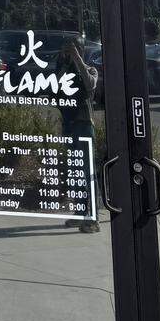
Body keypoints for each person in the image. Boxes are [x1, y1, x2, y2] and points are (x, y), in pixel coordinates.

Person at [57, 37, 100, 234]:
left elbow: (90, 85)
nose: (74, 51)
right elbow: (55, 85)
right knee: (75, 172)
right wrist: (64, 60)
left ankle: (93, 218)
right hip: (69, 124)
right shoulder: (64, 68)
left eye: (77, 48)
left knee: (87, 171)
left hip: (84, 124)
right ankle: (80, 210)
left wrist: (77, 59)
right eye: (70, 48)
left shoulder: (90, 69)